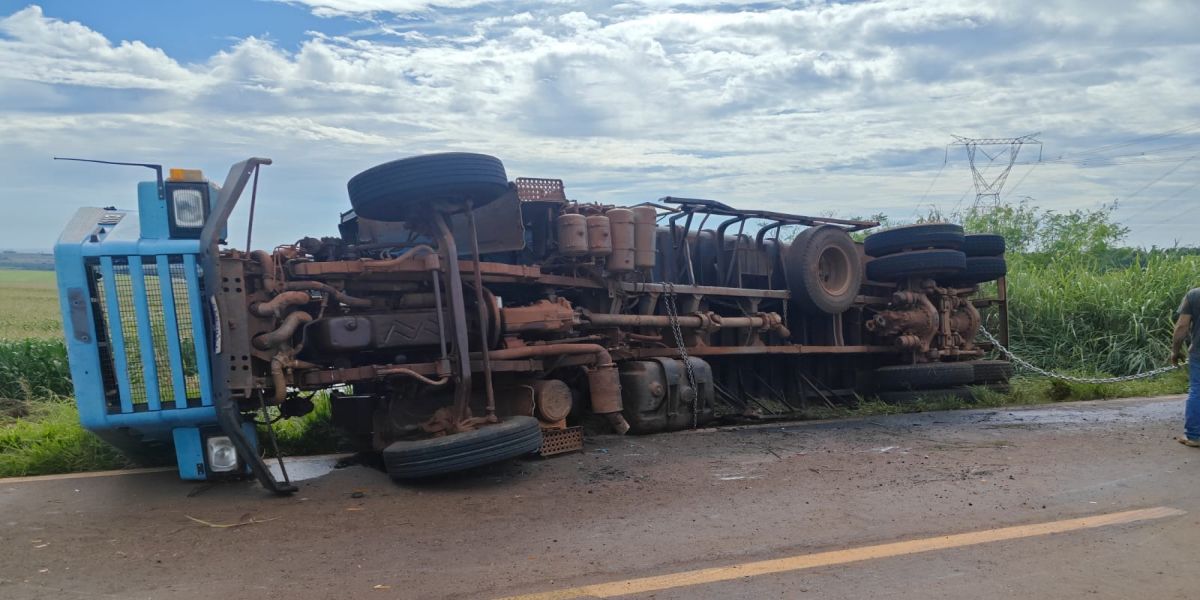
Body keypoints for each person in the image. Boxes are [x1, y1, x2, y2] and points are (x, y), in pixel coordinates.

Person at [1170, 287, 1200, 447]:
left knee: (1198, 391)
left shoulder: (1194, 295)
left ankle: (1194, 436)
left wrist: (1175, 351)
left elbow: (1182, 326)